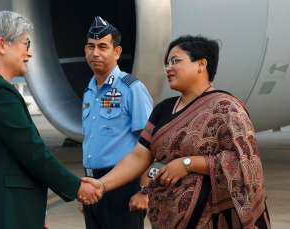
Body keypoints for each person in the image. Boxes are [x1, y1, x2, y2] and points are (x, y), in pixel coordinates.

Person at [84, 35, 271, 228]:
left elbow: (245, 162)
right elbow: (139, 156)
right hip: (168, 217)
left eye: (175, 61)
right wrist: (102, 184)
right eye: (166, 63)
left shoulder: (226, 108)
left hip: (211, 219)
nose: (168, 68)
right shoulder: (163, 109)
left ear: (201, 64)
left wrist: (188, 164)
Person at [0, 11, 101, 229]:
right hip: (1, 215)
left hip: (3, 213)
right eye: (25, 44)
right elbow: (33, 152)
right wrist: (76, 187)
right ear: (2, 45)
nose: (29, 53)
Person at [81, 16, 153, 229]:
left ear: (117, 52)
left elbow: (149, 145)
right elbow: (90, 140)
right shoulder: (89, 91)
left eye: (103, 46)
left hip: (123, 187)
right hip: (92, 187)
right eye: (90, 47)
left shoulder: (131, 88)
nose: (95, 53)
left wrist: (144, 191)